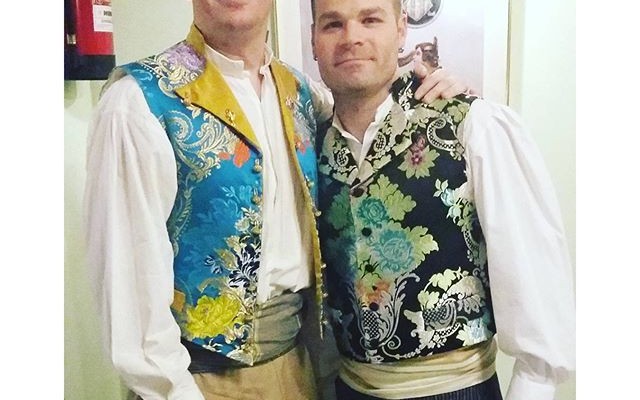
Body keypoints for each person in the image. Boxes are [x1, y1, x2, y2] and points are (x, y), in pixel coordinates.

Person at [82, 1, 470, 399]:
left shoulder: (301, 94)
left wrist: (438, 91)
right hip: (195, 381)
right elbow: (128, 286)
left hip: (299, 371)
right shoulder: (138, 102)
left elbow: (367, 108)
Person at [310, 1, 576, 399]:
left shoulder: (472, 124)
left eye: (371, 19)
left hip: (457, 390)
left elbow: (536, 291)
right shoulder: (309, 143)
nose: (352, 38)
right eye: (333, 24)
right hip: (349, 389)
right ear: (313, 40)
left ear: (401, 28)